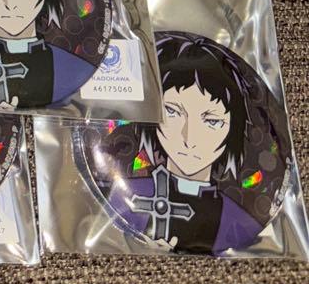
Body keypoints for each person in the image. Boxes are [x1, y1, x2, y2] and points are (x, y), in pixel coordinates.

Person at [104, 33, 263, 254]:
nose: (189, 138)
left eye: (212, 121)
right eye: (172, 112)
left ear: (234, 129)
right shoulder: (125, 196)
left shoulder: (238, 220)